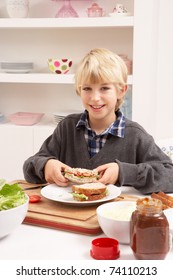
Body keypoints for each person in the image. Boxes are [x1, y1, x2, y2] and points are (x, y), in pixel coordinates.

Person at [23, 48, 173, 194]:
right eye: (87, 88)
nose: (95, 98)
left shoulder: (135, 135)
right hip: (68, 214)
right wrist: (45, 165)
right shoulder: (67, 127)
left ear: (121, 91)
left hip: (114, 214)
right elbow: (29, 168)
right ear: (78, 90)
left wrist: (124, 172)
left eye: (104, 88)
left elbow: (169, 175)